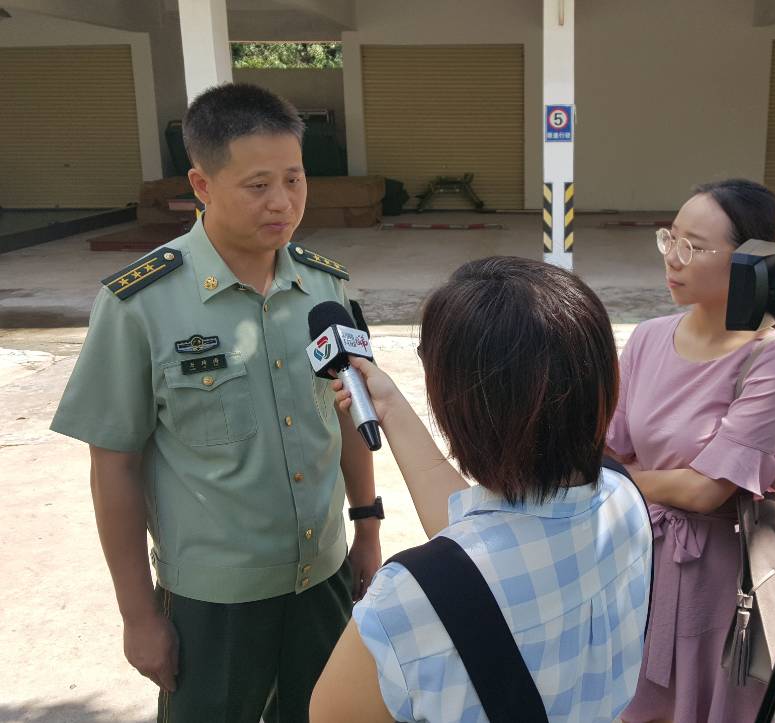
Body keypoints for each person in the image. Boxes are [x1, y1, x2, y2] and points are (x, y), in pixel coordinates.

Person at [50, 83, 381, 723]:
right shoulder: (139, 303)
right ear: (201, 186)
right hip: (213, 604)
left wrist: (367, 532)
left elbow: (349, 413)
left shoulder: (325, 286)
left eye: (295, 178)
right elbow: (113, 465)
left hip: (324, 579)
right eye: (257, 186)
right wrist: (138, 615)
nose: (283, 203)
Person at [309, 256, 653, 722]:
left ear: (455, 402)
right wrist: (387, 403)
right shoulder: (624, 498)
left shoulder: (405, 602)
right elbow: (472, 547)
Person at [610, 179, 775, 722]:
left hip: (718, 585)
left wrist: (625, 476)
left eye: (694, 247)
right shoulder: (649, 338)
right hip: (635, 562)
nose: (672, 259)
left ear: (753, 261)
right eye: (669, 239)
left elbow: (706, 490)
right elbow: (606, 452)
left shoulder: (774, 361)